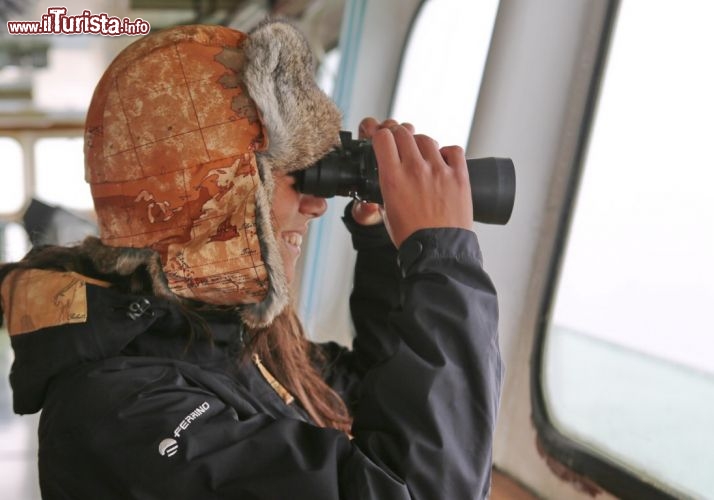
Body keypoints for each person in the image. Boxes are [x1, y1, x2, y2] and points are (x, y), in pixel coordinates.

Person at [0, 20, 503, 500]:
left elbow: (377, 394)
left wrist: (384, 245)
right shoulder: (118, 416)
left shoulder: (225, 334)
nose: (317, 204)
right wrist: (441, 257)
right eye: (289, 174)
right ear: (210, 198)